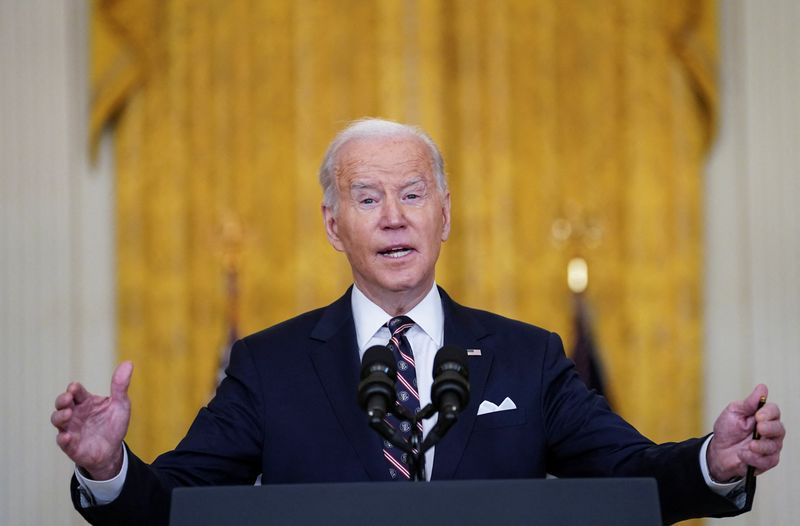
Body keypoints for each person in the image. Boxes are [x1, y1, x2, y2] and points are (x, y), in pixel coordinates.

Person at [52, 118, 785, 525]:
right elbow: (177, 504)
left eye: (413, 193)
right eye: (367, 199)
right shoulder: (268, 368)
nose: (395, 217)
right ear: (334, 226)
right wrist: (108, 468)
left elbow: (628, 475)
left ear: (445, 214)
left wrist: (709, 465)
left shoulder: (525, 358)